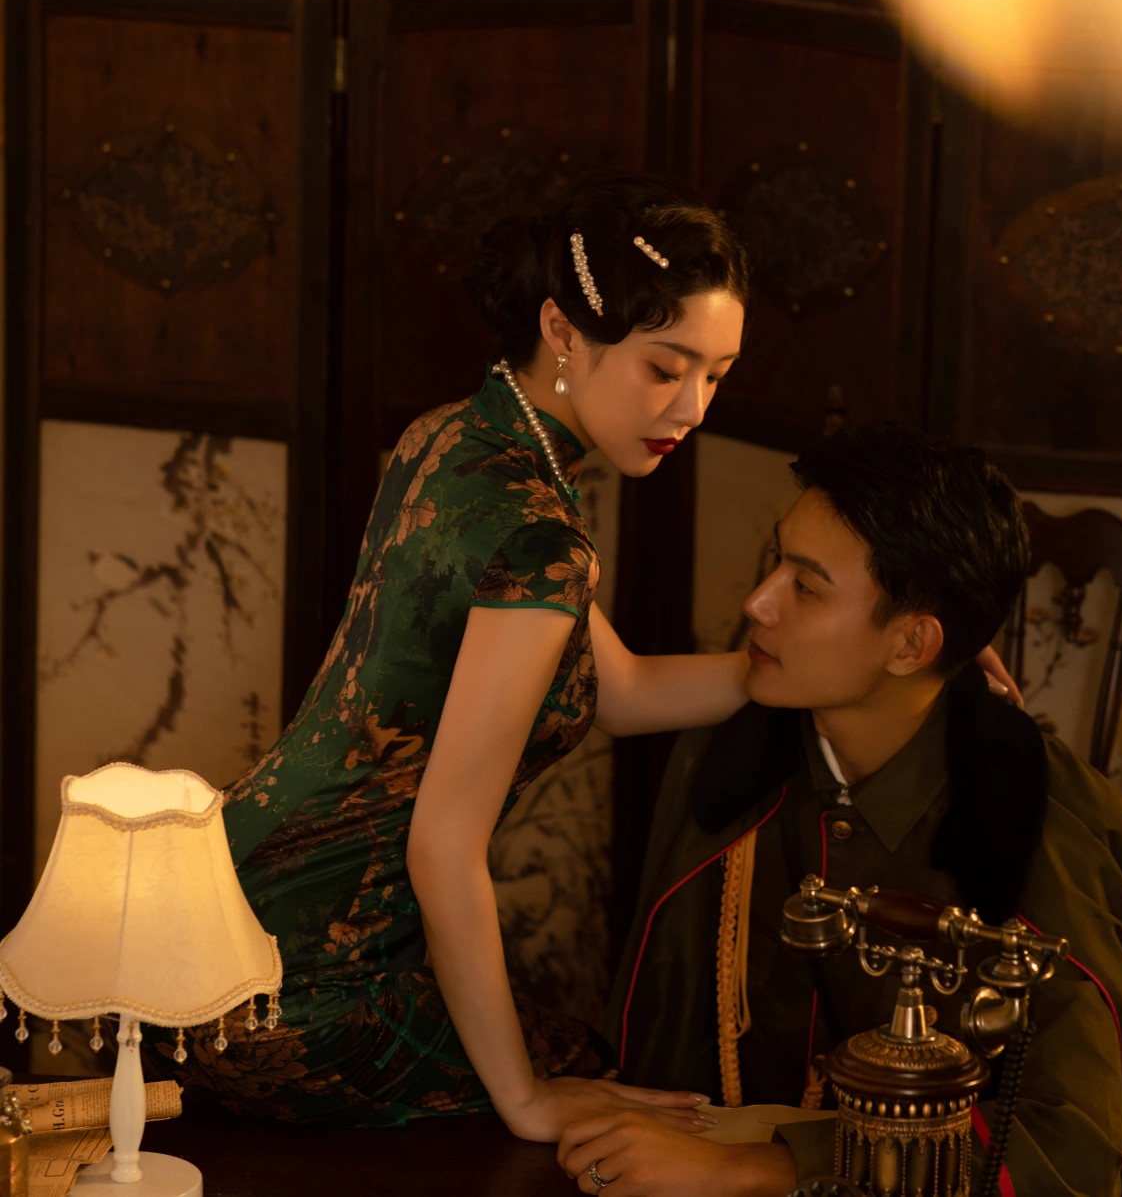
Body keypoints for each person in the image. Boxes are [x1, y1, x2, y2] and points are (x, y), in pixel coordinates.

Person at [150, 175, 750, 1137]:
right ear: (562, 330)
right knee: (601, 1081)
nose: (693, 408)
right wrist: (525, 1101)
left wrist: (812, 670)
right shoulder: (538, 537)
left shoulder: (451, 436)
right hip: (292, 988)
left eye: (716, 375)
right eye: (665, 368)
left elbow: (624, 690)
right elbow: (442, 844)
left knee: (590, 1073)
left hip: (202, 920)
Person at [558, 425, 1122, 1197]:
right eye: (775, 560)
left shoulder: (1034, 826)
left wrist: (761, 1167)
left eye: (806, 586)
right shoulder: (729, 763)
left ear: (911, 645)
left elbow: (1072, 1148)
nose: (756, 602)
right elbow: (660, 1045)